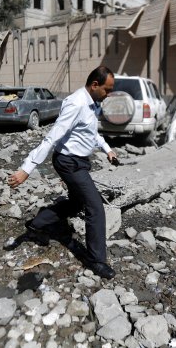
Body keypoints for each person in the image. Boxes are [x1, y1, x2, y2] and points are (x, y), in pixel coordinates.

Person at [7, 65, 118, 279]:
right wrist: (26, 169)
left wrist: (108, 150)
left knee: (77, 203)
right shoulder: (76, 104)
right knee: (95, 207)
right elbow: (52, 137)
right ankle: (97, 261)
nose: (109, 94)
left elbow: (92, 133)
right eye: (107, 89)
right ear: (95, 85)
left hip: (80, 161)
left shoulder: (93, 103)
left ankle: (37, 223)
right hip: (68, 162)